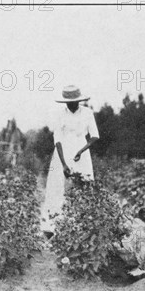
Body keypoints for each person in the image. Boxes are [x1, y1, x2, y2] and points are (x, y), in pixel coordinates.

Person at [41, 85, 100, 236]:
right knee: (57, 187)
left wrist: (81, 150)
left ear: (78, 101)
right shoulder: (60, 114)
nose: (71, 105)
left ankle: (82, 227)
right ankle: (54, 227)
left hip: (81, 152)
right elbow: (58, 139)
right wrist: (64, 164)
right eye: (68, 102)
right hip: (63, 152)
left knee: (84, 185)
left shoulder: (87, 113)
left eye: (73, 102)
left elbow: (94, 136)